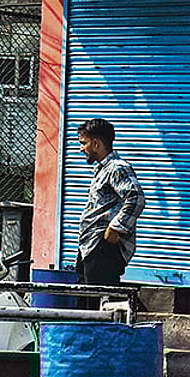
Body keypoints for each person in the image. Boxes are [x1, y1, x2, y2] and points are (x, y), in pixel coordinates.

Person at [76, 118, 145, 286]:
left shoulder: (117, 168)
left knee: (100, 303)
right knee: (85, 302)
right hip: (90, 246)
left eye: (84, 143)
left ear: (96, 144)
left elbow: (136, 198)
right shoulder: (102, 170)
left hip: (102, 248)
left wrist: (115, 228)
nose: (81, 149)